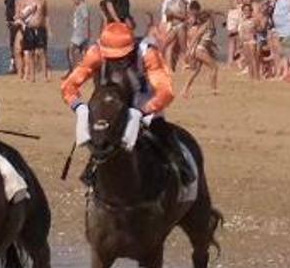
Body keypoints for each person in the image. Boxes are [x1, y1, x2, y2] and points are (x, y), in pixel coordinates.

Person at [61, 21, 192, 185]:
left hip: (145, 103)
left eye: (122, 57)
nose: (116, 62)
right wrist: (79, 107)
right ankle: (94, 170)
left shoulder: (147, 53)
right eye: (111, 57)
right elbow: (69, 86)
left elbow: (166, 92)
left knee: (161, 131)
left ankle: (182, 168)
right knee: (100, 138)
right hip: (112, 107)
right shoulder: (95, 53)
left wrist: (144, 111)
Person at [68, 0, 90, 72]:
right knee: (81, 51)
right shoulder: (79, 7)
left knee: (71, 49)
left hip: (80, 33)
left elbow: (86, 19)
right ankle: (81, 68)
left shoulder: (82, 6)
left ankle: (75, 69)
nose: (73, 1)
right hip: (78, 32)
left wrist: (87, 32)